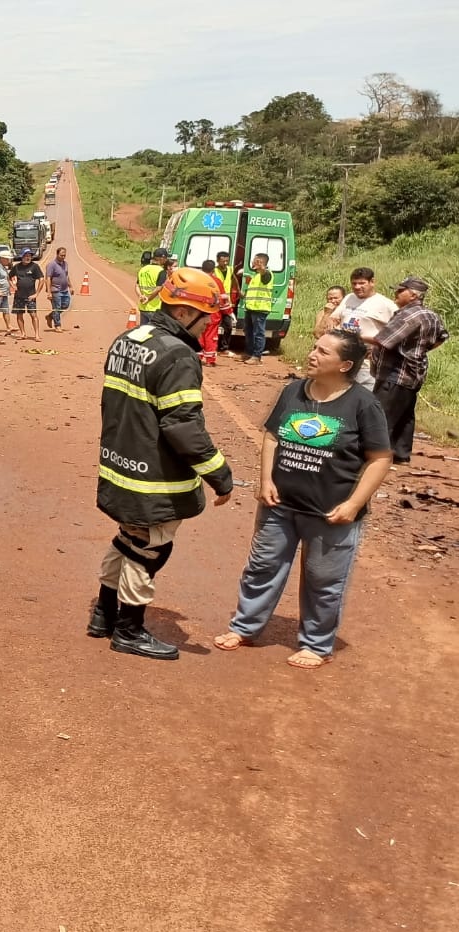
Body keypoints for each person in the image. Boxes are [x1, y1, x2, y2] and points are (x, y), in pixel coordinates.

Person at [214, 329, 392, 669]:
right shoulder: (293, 390)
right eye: (314, 347)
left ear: (345, 365)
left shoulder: (363, 404)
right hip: (279, 506)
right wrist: (265, 480)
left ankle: (316, 643)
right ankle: (245, 627)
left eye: (323, 352)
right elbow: (272, 436)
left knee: (324, 581)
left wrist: (354, 504)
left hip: (331, 513)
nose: (313, 354)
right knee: (261, 568)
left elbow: (380, 458)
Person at [89, 268, 233, 660]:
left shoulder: (128, 338)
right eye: (209, 318)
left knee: (127, 536)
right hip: (153, 475)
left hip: (119, 464)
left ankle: (103, 613)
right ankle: (129, 630)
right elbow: (183, 425)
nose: (210, 326)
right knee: (149, 548)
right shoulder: (178, 355)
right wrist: (219, 474)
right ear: (186, 313)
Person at [369, 276, 449, 463]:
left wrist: (351, 334)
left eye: (400, 291)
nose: (396, 294)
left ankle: (377, 457)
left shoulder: (408, 315)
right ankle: (400, 454)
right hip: (414, 373)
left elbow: (382, 340)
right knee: (405, 414)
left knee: (382, 413)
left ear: (413, 295)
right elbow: (442, 337)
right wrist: (418, 350)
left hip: (396, 372)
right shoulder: (431, 315)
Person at [330, 267, 398, 388]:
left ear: (372, 282)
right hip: (343, 356)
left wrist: (381, 348)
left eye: (362, 283)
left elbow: (397, 333)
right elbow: (335, 318)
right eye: (354, 283)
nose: (357, 287)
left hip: (367, 361)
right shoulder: (349, 298)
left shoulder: (386, 304)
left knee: (364, 394)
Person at [240, 252, 276, 363]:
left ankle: (257, 356)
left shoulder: (267, 274)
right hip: (251, 308)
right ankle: (250, 353)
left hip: (260, 309)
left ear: (260, 262)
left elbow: (265, 277)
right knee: (248, 331)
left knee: (258, 333)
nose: (252, 262)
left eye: (254, 261)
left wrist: (262, 268)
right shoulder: (255, 276)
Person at [10, 249, 46, 340]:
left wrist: (36, 294)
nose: (28, 257)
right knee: (19, 314)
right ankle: (23, 334)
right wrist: (13, 286)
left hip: (31, 295)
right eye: (26, 256)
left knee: (33, 315)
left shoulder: (35, 267)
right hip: (19, 295)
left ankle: (37, 335)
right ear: (22, 257)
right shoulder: (17, 267)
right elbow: (9, 277)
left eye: (29, 256)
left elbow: (41, 279)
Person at [197, 259, 224, 366]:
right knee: (211, 336)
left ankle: (197, 357)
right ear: (213, 270)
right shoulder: (216, 282)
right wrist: (228, 312)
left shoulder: (196, 280)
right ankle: (210, 361)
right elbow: (222, 299)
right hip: (212, 314)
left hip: (197, 312)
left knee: (198, 335)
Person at [213, 251, 237, 352]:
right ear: (218, 261)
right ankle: (211, 347)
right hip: (215, 302)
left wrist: (238, 291)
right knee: (213, 326)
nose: (225, 263)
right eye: (223, 261)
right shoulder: (214, 271)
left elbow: (234, 279)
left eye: (227, 261)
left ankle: (224, 347)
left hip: (226, 303)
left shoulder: (230, 269)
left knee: (228, 326)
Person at [137, 248, 171, 312]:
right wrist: (148, 299)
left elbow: (137, 286)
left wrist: (140, 296)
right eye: (166, 258)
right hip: (155, 308)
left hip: (143, 307)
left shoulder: (143, 269)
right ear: (162, 258)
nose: (166, 260)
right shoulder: (161, 271)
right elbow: (158, 288)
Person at [45, 246, 71, 330]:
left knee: (66, 305)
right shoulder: (51, 265)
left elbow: (66, 276)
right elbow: (48, 278)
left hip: (65, 290)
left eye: (64, 255)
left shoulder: (65, 264)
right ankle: (58, 325)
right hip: (55, 290)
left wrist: (71, 286)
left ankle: (50, 316)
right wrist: (49, 292)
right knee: (57, 307)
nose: (63, 257)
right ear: (57, 254)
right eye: (61, 255)